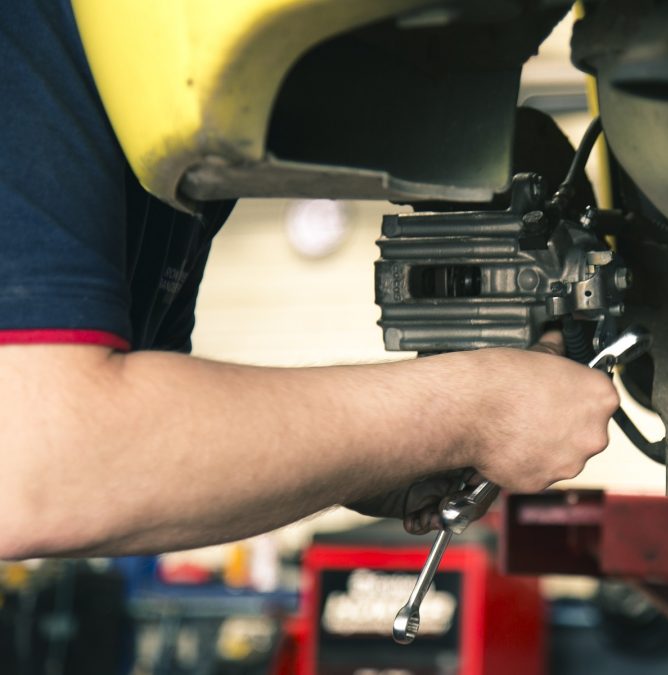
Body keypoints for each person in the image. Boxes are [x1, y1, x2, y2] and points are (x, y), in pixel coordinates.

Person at [0, 0, 619, 559]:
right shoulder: (27, 32)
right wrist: (472, 410)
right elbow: (45, 470)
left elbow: (149, 465)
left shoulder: (165, 113)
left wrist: (375, 454)